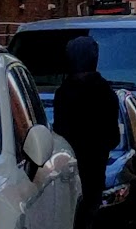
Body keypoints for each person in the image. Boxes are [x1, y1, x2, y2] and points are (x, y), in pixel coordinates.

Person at [51, 35, 122, 229]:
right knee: (88, 216)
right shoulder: (106, 93)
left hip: (68, 171)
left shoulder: (63, 94)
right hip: (93, 170)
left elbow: (59, 132)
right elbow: (113, 137)